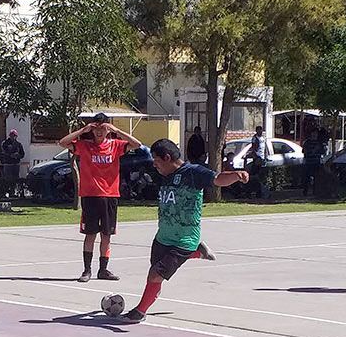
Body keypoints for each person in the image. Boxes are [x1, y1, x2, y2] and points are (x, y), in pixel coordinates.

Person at [122, 139, 250, 323]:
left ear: (167, 158)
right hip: (163, 237)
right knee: (154, 275)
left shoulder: (193, 172)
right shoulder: (164, 173)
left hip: (184, 239)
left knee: (155, 275)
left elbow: (218, 179)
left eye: (157, 161)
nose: (155, 165)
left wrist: (236, 175)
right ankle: (198, 252)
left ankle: (139, 312)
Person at [59, 112, 143, 282]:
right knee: (90, 234)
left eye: (103, 128)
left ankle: (103, 270)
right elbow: (63, 143)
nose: (99, 132)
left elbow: (137, 144)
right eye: (97, 128)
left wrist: (117, 130)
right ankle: (87, 270)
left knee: (106, 235)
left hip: (110, 195)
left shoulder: (115, 145)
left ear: (108, 129)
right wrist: (83, 130)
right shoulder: (84, 145)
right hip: (90, 196)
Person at [301, 128, 327, 196]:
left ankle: (315, 191)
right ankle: (305, 191)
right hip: (309, 162)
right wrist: (313, 150)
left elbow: (323, 152)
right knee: (307, 178)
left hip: (317, 162)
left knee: (317, 177)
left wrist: (323, 148)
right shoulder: (307, 142)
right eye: (313, 133)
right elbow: (304, 151)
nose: (315, 134)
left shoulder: (319, 142)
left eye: (316, 133)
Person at [0, 129, 25, 197]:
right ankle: (4, 193)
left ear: (16, 136)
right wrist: (10, 155)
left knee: (15, 179)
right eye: (11, 135)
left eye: (14, 136)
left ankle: (12, 192)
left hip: (16, 164)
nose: (12, 137)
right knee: (7, 179)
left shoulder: (18, 144)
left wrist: (18, 156)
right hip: (8, 164)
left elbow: (22, 154)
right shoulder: (5, 143)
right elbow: (3, 152)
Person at [245, 126, 268, 198]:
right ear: (256, 131)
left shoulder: (263, 138)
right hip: (258, 158)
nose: (260, 132)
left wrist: (265, 156)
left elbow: (264, 148)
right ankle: (251, 192)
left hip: (262, 158)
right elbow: (254, 148)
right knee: (255, 175)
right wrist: (256, 158)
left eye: (261, 130)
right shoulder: (255, 138)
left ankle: (260, 192)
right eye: (259, 130)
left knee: (261, 176)